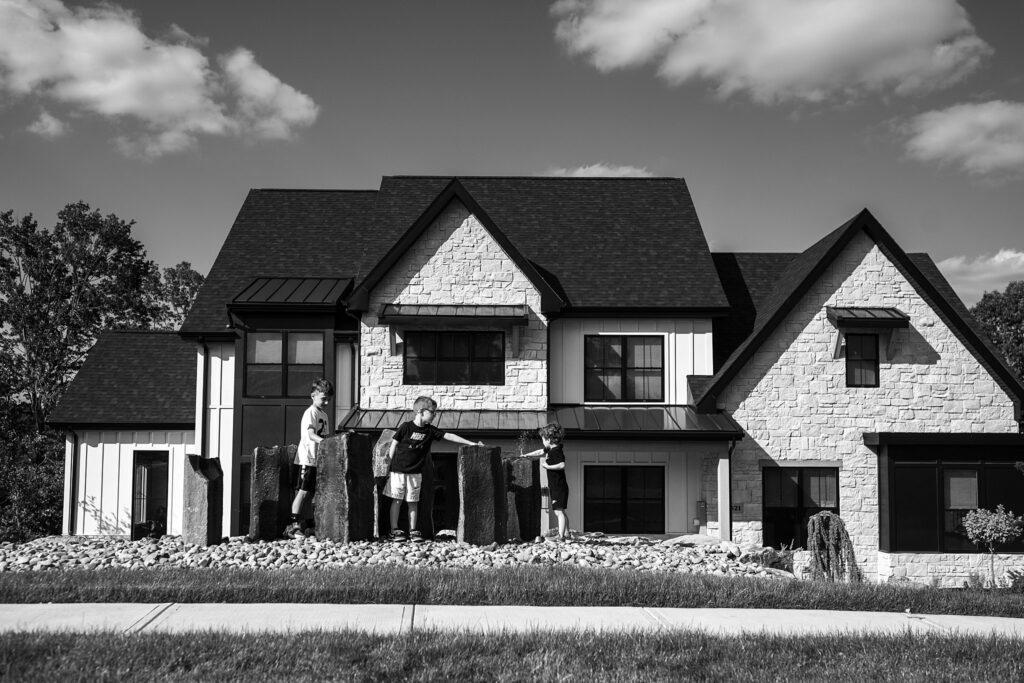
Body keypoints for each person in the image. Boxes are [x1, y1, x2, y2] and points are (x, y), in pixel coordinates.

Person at [386, 396, 484, 542]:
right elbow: (394, 444)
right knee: (397, 500)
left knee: (413, 502)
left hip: (415, 473)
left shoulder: (430, 431)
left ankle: (413, 531)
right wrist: (389, 464)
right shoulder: (405, 427)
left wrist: (471, 444)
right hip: (398, 472)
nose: (434, 415)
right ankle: (394, 530)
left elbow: (449, 436)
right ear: (421, 411)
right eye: (432, 412)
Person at [283, 378, 333, 539]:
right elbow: (311, 434)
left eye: (328, 399)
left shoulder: (324, 415)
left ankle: (310, 523)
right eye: (323, 398)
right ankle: (292, 524)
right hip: (307, 458)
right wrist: (326, 443)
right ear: (313, 396)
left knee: (314, 492)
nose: (326, 402)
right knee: (303, 491)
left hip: (318, 459)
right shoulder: (310, 412)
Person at [522, 422, 569, 540]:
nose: (542, 442)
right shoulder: (550, 449)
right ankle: (567, 535)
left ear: (548, 439)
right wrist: (527, 455)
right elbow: (540, 452)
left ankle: (561, 536)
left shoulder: (556, 451)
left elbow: (562, 465)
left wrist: (547, 467)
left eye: (543, 439)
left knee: (558, 512)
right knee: (560, 511)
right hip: (556, 486)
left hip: (559, 486)